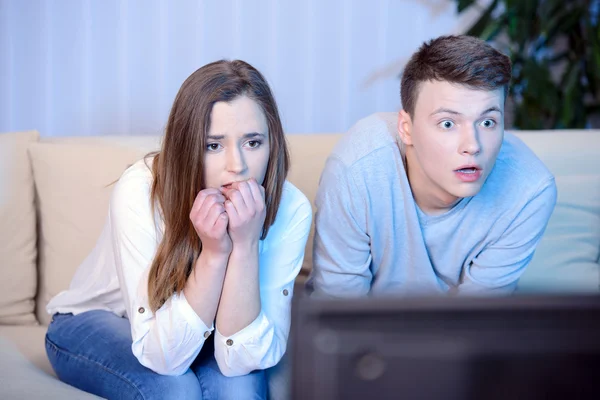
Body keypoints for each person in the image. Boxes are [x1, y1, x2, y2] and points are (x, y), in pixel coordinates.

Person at [45, 60, 312, 400]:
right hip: (96, 319)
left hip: (202, 333)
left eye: (253, 142)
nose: (238, 166)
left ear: (272, 143)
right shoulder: (140, 189)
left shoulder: (292, 208)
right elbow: (163, 358)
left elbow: (243, 359)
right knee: (175, 390)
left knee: (240, 391)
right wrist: (215, 253)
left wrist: (243, 246)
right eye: (213, 145)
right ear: (187, 147)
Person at [307, 35, 557, 298]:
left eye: (487, 122)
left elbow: (477, 320)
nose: (473, 146)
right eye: (448, 123)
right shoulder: (356, 169)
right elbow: (339, 313)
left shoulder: (530, 189)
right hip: (362, 335)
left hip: (462, 335)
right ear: (407, 129)